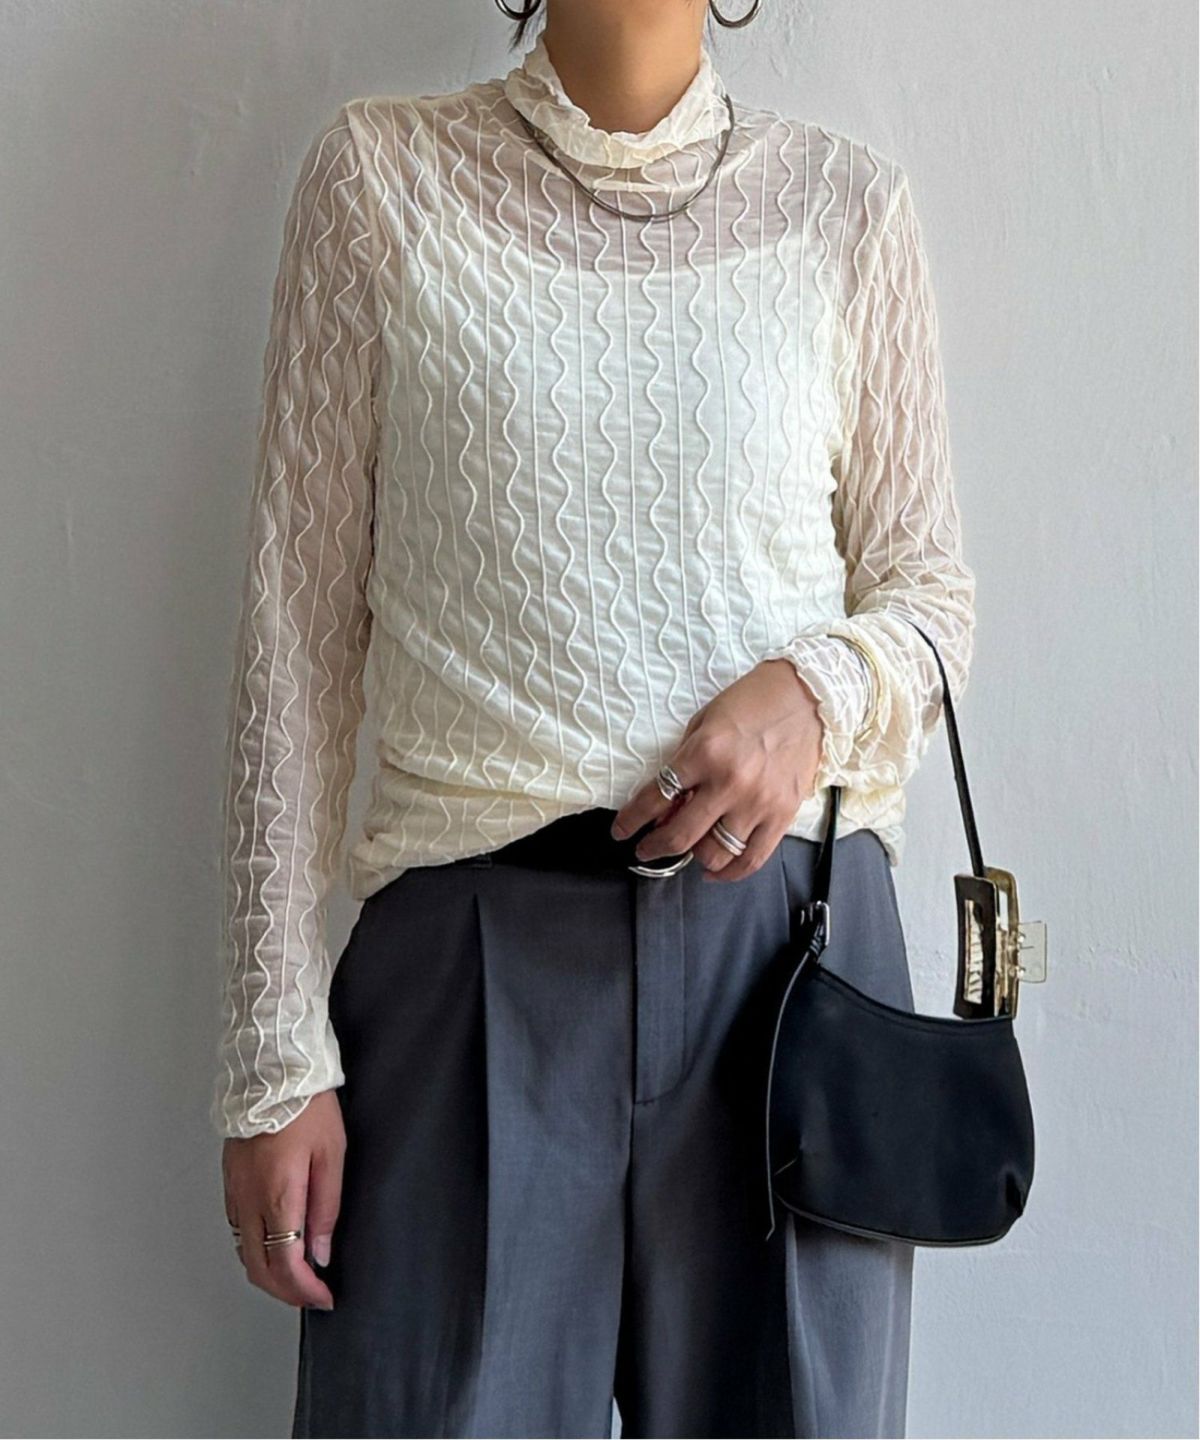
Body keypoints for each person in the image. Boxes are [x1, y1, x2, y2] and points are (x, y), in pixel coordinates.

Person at [214, 1, 976, 1435]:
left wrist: (816, 694)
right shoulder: (381, 182)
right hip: (469, 969)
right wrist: (271, 1054)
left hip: (791, 969)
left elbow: (932, 599)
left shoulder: (845, 208)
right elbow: (295, 640)